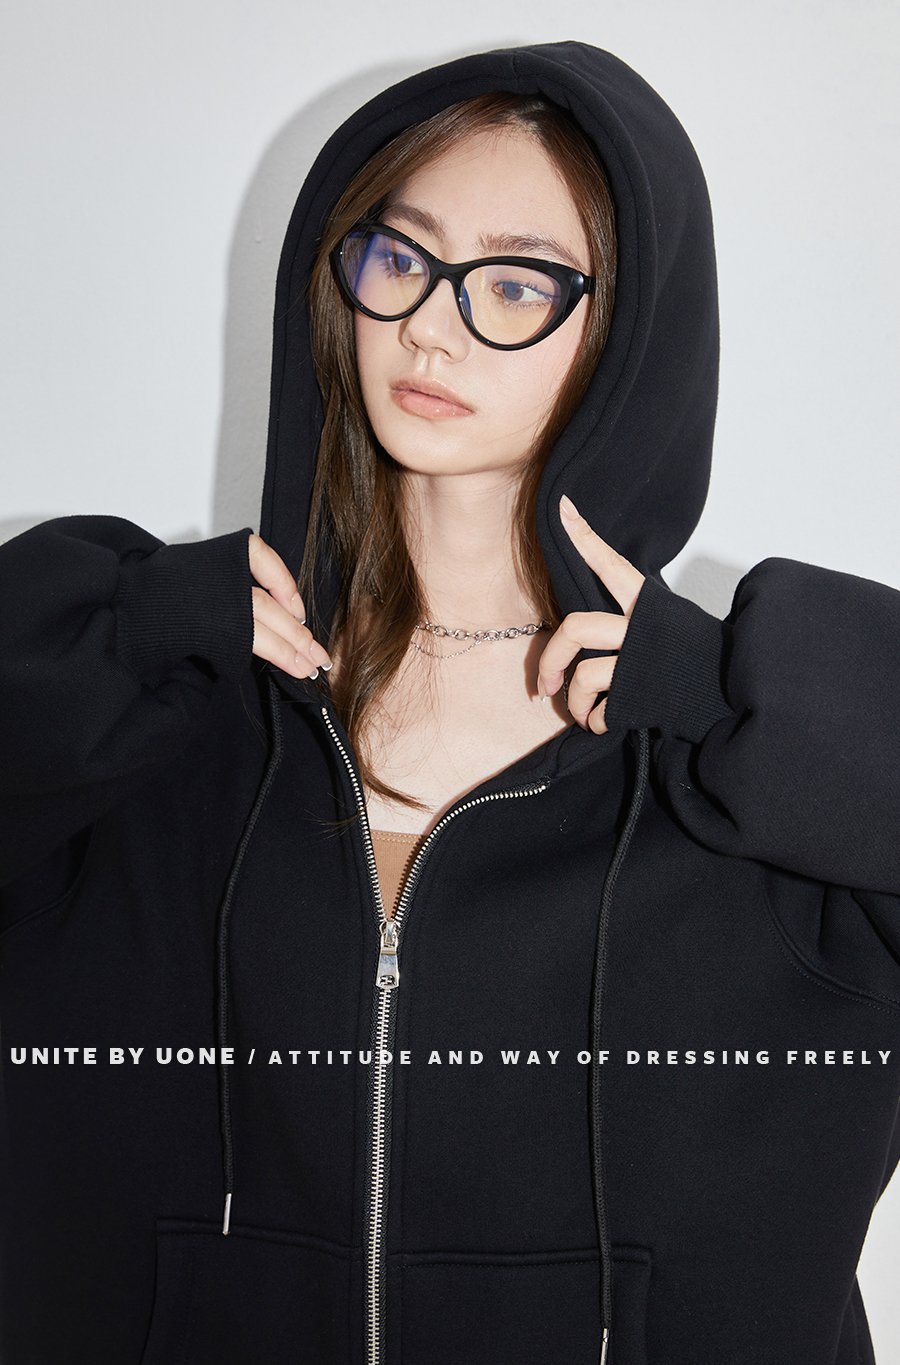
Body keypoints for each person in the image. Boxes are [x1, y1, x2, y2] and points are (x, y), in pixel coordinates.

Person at [1, 40, 898, 1365]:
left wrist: (736, 698)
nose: (430, 322)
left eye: (517, 282)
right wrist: (125, 641)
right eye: (401, 256)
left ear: (632, 337)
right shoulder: (152, 724)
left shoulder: (764, 781)